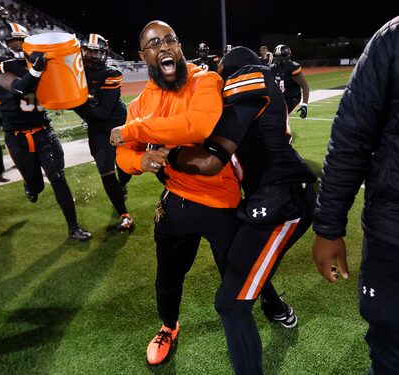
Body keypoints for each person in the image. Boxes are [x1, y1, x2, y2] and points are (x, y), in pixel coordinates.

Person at [165, 46, 317, 375]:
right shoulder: (260, 85)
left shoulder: (250, 78)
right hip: (270, 194)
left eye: (220, 72)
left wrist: (165, 153)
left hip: (283, 200)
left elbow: (211, 161)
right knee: (237, 256)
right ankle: (276, 307)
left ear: (232, 71)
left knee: (230, 303)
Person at [110, 20, 242, 366]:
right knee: (167, 279)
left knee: (238, 273)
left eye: (170, 40)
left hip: (221, 199)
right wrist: (142, 158)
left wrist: (133, 130)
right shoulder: (140, 103)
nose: (164, 46)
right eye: (154, 43)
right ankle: (169, 326)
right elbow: (122, 157)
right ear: (144, 56)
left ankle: (269, 300)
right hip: (177, 201)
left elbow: (197, 126)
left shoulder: (205, 80)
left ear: (180, 48)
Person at [312, 16, 399, 375]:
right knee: (390, 353)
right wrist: (329, 227)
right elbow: (351, 137)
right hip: (393, 236)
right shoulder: (393, 39)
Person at [0, 22, 92, 241]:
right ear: (2, 44)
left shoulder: (36, 61)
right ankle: (30, 185)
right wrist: (36, 69)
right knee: (37, 187)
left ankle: (73, 228)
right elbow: (18, 88)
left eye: (21, 42)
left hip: (43, 130)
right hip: (17, 137)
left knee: (58, 178)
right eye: (13, 42)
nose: (17, 46)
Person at [73, 33, 133, 232]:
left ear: (104, 54)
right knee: (106, 171)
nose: (90, 56)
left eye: (95, 52)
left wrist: (75, 104)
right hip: (97, 129)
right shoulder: (76, 71)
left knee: (124, 167)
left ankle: (122, 184)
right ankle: (124, 215)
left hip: (116, 124)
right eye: (87, 51)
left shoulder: (111, 73)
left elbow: (101, 112)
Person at [270, 44, 309, 118]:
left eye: (281, 55)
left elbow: (305, 86)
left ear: (287, 55)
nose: (278, 58)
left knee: (279, 116)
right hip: (279, 98)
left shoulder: (292, 68)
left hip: (291, 98)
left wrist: (304, 105)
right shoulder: (271, 69)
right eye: (276, 56)